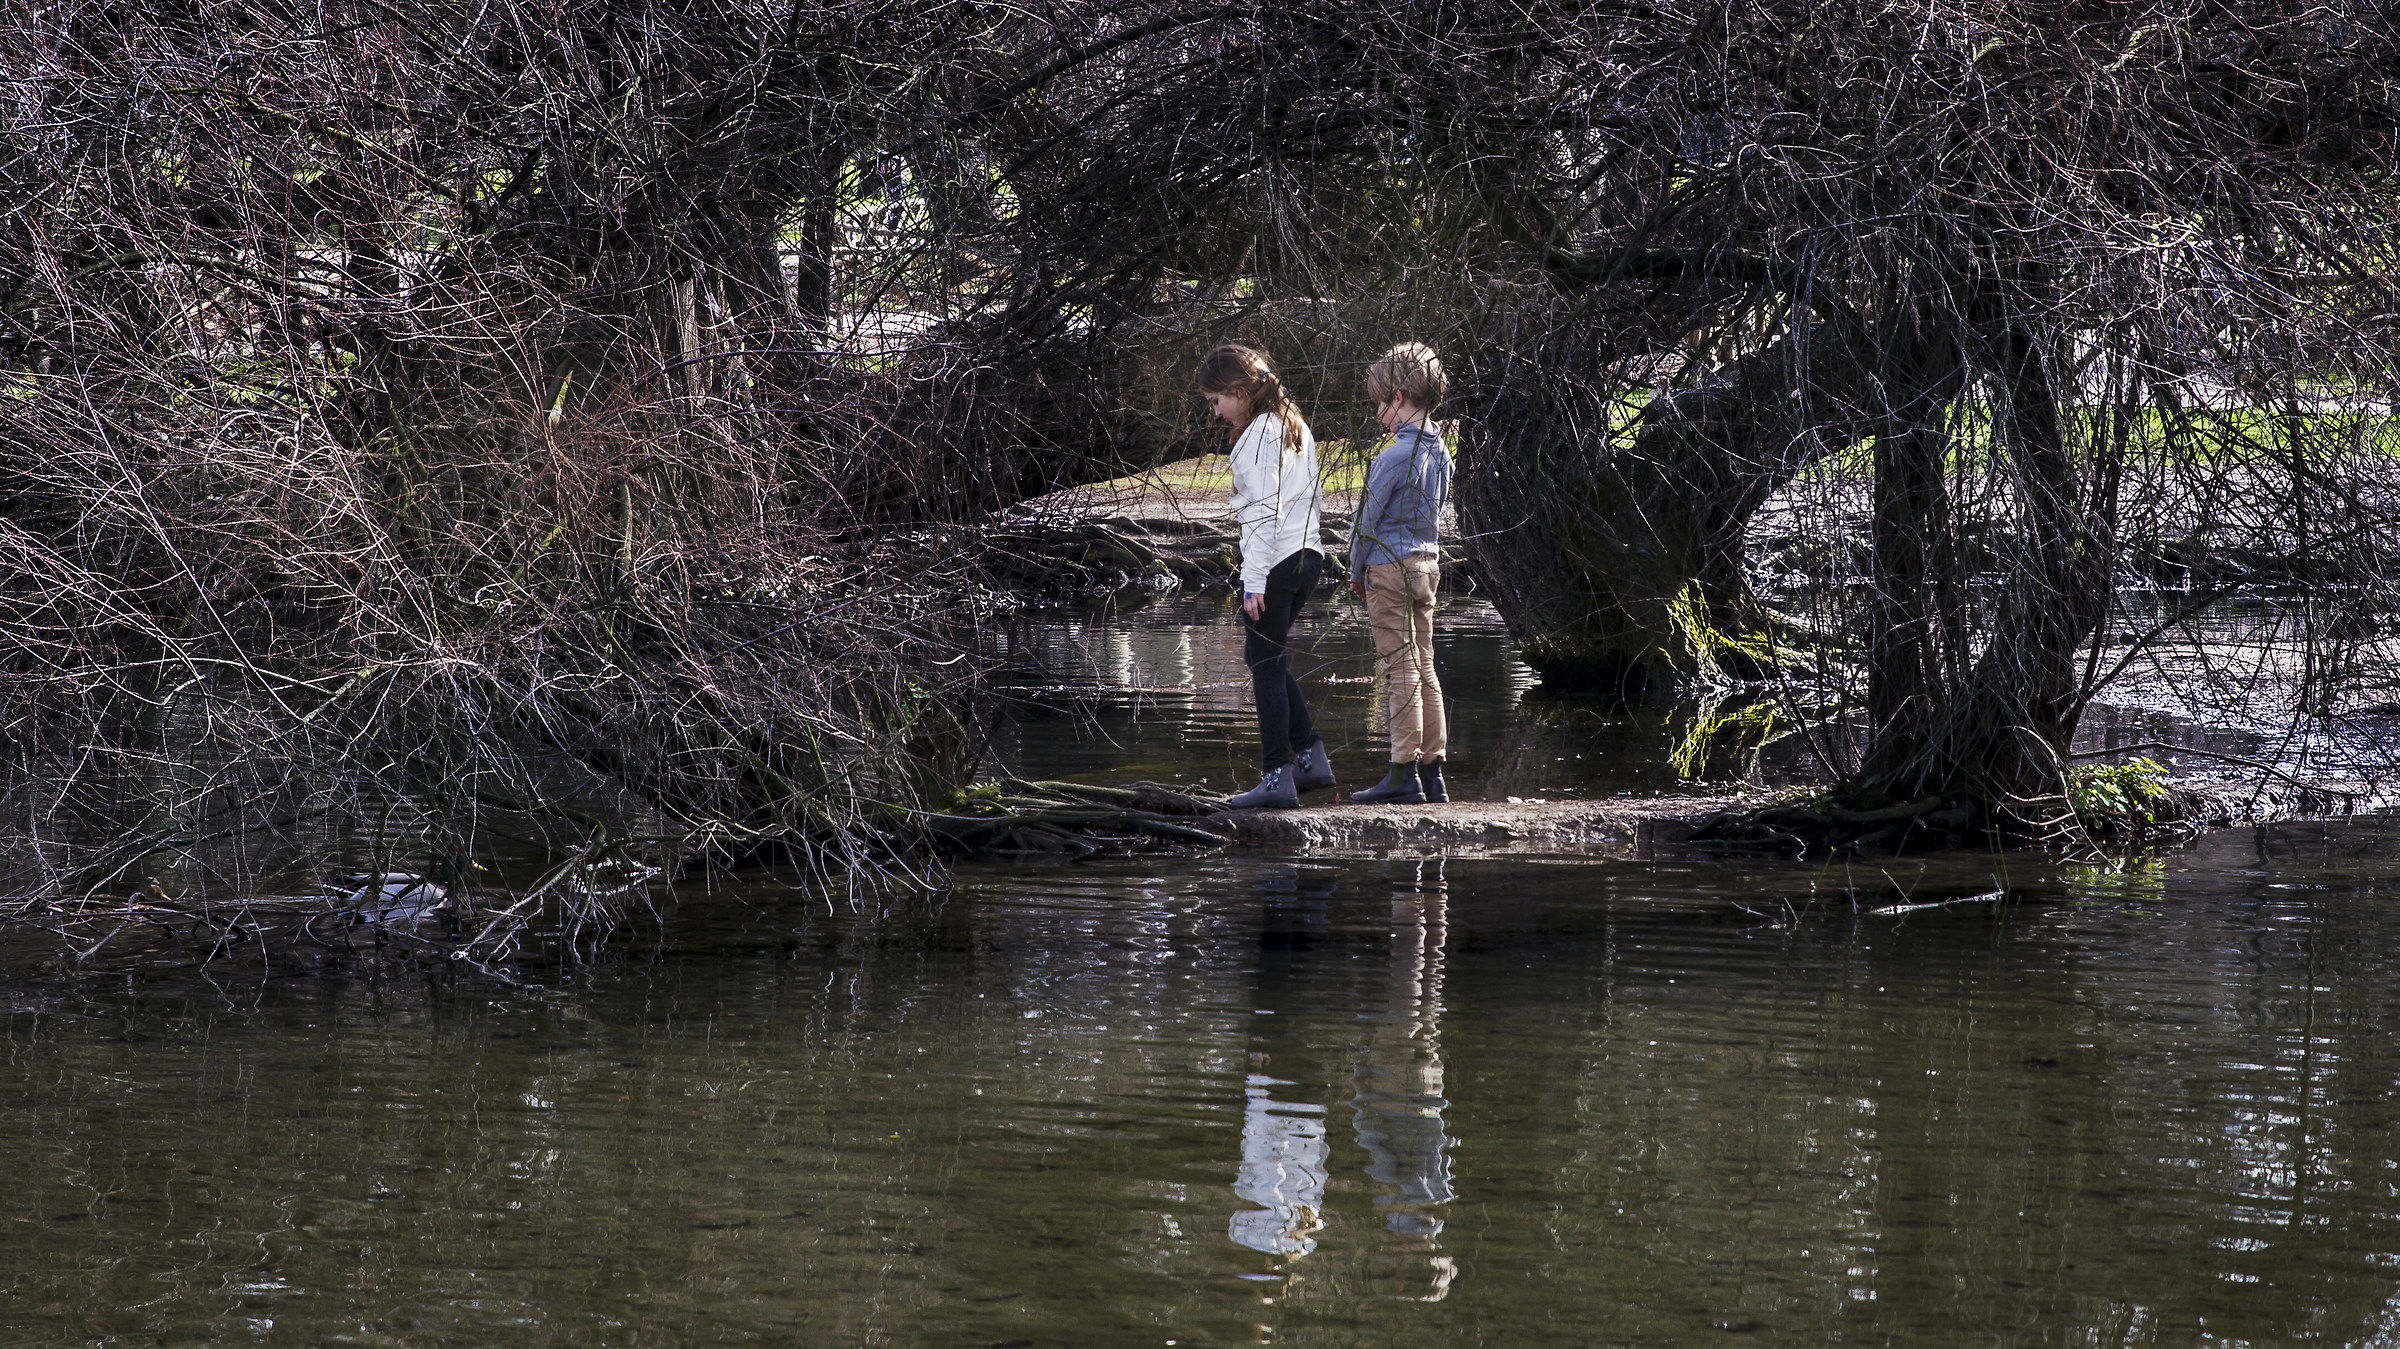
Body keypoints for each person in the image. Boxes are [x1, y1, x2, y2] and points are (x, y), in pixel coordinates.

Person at [1199, 344, 1336, 810]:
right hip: (1306, 557)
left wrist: (1252, 581)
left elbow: (1263, 515)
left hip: (1276, 562)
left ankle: (1278, 777)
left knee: (1264, 665)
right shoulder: (1293, 425)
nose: (1216, 413)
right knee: (1266, 657)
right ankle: (1311, 759)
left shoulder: (1258, 435)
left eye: (1216, 400)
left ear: (1239, 391)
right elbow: (1309, 502)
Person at [1348, 343, 1453, 805]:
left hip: (1389, 567)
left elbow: (1366, 522)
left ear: (1398, 396)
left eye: (1379, 403)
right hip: (1427, 564)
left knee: (1399, 670)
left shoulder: (1392, 457)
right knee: (1426, 664)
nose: (1377, 414)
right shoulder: (1442, 453)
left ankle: (1401, 772)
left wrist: (1355, 569)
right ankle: (1434, 773)